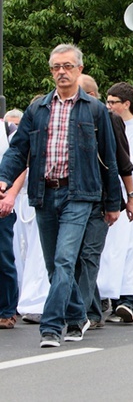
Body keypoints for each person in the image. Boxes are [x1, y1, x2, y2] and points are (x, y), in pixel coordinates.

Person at [0, 44, 121, 347]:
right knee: (54, 265)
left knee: (66, 259)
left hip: (79, 194)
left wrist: (113, 202)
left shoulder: (94, 110)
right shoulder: (38, 108)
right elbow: (18, 150)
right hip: (44, 194)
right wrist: (3, 178)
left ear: (79, 69)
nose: (61, 72)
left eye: (67, 66)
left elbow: (109, 156)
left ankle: (52, 327)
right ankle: (78, 316)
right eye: (56, 67)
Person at [76, 75, 133, 329]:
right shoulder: (62, 117)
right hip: (71, 198)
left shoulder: (110, 120)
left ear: (91, 96)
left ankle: (85, 312)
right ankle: (89, 309)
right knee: (74, 256)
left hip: (100, 199)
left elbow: (122, 162)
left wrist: (130, 198)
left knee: (89, 255)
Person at [97, 82, 133, 324]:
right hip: (107, 195)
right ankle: (103, 296)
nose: (108, 106)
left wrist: (121, 159)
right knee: (106, 249)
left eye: (113, 102)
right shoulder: (103, 123)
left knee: (130, 249)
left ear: (126, 104)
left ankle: (126, 300)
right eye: (107, 102)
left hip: (131, 195)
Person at [0, 117, 22, 330]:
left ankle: (7, 310)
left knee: (3, 258)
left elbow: (22, 162)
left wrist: (11, 195)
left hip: (2, 205)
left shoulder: (9, 130)